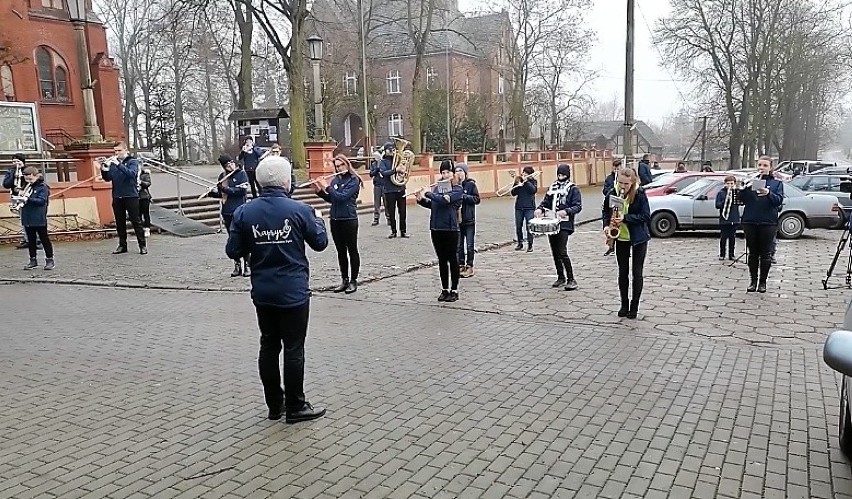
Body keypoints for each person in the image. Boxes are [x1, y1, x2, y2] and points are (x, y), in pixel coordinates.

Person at [225, 155, 329, 424]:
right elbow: (320, 243)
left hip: (263, 291)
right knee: (294, 348)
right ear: (286, 181)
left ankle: (274, 405)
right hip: (293, 291)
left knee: (269, 345)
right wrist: (319, 220)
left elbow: (233, 250)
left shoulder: (244, 212)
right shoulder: (300, 210)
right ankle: (296, 406)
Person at [416, 161, 463, 302]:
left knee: (452, 259)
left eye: (448, 172)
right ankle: (444, 289)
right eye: (443, 172)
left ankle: (454, 290)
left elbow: (444, 201)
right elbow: (434, 205)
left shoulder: (457, 188)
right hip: (436, 228)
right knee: (442, 260)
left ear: (453, 173)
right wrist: (421, 199)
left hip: (450, 228)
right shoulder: (437, 188)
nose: (445, 175)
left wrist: (428, 193)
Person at [314, 154, 362, 294]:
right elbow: (332, 199)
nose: (339, 168)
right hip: (335, 219)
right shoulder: (336, 179)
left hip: (349, 219)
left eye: (341, 165)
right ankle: (344, 279)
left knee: (352, 250)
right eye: (337, 166)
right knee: (341, 252)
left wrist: (327, 187)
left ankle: (353, 281)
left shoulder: (354, 180)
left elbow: (342, 197)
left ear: (347, 165)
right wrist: (319, 191)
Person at [739, 156, 783, 293]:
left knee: (766, 253)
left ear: (770, 168)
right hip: (750, 220)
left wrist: (768, 193)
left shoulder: (777, 184)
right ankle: (753, 281)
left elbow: (778, 201)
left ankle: (763, 282)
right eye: (759, 165)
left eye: (765, 165)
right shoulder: (751, 181)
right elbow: (742, 200)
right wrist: (744, 188)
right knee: (752, 253)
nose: (761, 168)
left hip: (768, 222)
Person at [611, 167, 651, 319]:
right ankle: (624, 304)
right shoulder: (613, 192)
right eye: (620, 182)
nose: (623, 187)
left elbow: (646, 216)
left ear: (633, 182)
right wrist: (607, 226)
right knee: (622, 272)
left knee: (637, 272)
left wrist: (626, 219)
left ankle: (634, 306)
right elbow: (606, 212)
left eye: (626, 184)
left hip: (638, 237)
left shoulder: (640, 194)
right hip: (621, 237)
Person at [535, 164, 582, 291]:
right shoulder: (553, 187)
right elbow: (546, 202)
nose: (560, 177)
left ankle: (571, 279)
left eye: (563, 174)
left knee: (562, 250)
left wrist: (566, 211)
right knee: (554, 251)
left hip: (565, 223)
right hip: (552, 222)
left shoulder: (573, 189)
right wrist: (540, 209)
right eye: (559, 174)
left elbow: (577, 206)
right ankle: (561, 276)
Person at [206, 154, 250, 277]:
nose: (230, 166)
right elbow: (222, 194)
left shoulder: (241, 174)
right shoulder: (222, 177)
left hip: (240, 210)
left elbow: (240, 191)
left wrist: (225, 189)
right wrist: (212, 193)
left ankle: (247, 264)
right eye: (227, 165)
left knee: (243, 238)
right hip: (227, 212)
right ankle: (237, 265)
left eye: (231, 163)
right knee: (233, 239)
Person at [101, 142, 147, 255]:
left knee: (136, 221)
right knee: (119, 222)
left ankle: (142, 245)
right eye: (115, 151)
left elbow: (131, 174)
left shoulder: (133, 162)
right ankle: (122, 245)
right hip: (117, 196)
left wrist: (118, 164)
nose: (116, 153)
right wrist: (104, 169)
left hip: (131, 195)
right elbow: (108, 178)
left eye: (119, 150)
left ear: (126, 150)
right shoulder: (113, 164)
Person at [16, 166, 55, 271]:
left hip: (38, 216)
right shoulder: (27, 186)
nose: (29, 181)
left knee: (44, 239)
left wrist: (28, 199)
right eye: (26, 179)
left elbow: (42, 201)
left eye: (30, 179)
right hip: (27, 216)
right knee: (31, 240)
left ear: (36, 176)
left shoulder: (42, 187)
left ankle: (49, 259)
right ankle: (33, 260)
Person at [3, 154, 38, 250]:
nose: (16, 163)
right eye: (14, 161)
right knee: (22, 219)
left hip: (27, 196)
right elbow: (6, 184)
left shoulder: (28, 171)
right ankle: (27, 239)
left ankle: (35, 240)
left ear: (23, 162)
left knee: (30, 218)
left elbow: (32, 182)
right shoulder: (10, 171)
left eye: (18, 161)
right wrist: (13, 175)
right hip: (16, 197)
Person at [378, 142, 408, 238]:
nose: (391, 151)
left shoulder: (399, 159)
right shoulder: (383, 162)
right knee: (391, 212)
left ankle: (403, 231)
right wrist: (396, 170)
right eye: (389, 149)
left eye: (392, 149)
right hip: (389, 190)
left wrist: (403, 170)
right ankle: (393, 231)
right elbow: (383, 173)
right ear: (385, 151)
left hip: (400, 188)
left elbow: (404, 171)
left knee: (402, 211)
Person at [455, 162, 480, 278]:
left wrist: (463, 196)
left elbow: (476, 199)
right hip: (458, 220)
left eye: (460, 171)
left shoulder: (471, 185)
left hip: (469, 219)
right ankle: (460, 264)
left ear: (465, 173)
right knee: (459, 245)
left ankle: (470, 266)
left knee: (469, 245)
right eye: (456, 171)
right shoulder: (454, 185)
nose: (458, 173)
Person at [511, 166, 538, 252]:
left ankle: (530, 245)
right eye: (523, 172)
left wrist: (526, 182)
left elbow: (533, 190)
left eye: (526, 173)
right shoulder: (519, 181)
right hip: (519, 207)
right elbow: (513, 193)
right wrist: (516, 184)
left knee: (529, 227)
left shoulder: (533, 182)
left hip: (529, 207)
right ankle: (520, 243)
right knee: (518, 226)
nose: (524, 174)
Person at [715, 175, 740, 261]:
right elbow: (717, 205)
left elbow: (740, 203)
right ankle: (722, 254)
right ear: (725, 184)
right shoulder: (721, 193)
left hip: (734, 218)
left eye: (731, 183)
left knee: (732, 237)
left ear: (734, 184)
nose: (730, 185)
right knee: (724, 237)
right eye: (728, 183)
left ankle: (731, 254)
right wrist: (725, 200)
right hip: (724, 218)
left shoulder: (736, 192)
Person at [601, 159, 621, 256]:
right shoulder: (609, 178)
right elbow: (604, 190)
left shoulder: (622, 178)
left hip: (620, 205)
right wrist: (612, 189)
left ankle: (622, 248)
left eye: (618, 167)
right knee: (611, 227)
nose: (616, 169)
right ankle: (611, 247)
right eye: (615, 166)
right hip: (610, 204)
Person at [368, 148, 385, 226]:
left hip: (384, 185)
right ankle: (376, 218)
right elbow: (371, 174)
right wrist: (376, 170)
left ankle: (389, 218)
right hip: (377, 185)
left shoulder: (384, 163)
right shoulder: (374, 164)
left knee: (387, 203)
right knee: (377, 203)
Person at [139, 165, 152, 239]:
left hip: (144, 196)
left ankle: (147, 229)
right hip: (135, 197)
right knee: (138, 214)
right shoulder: (131, 173)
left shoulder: (145, 174)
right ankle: (140, 229)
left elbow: (148, 183)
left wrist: (140, 182)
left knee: (145, 213)